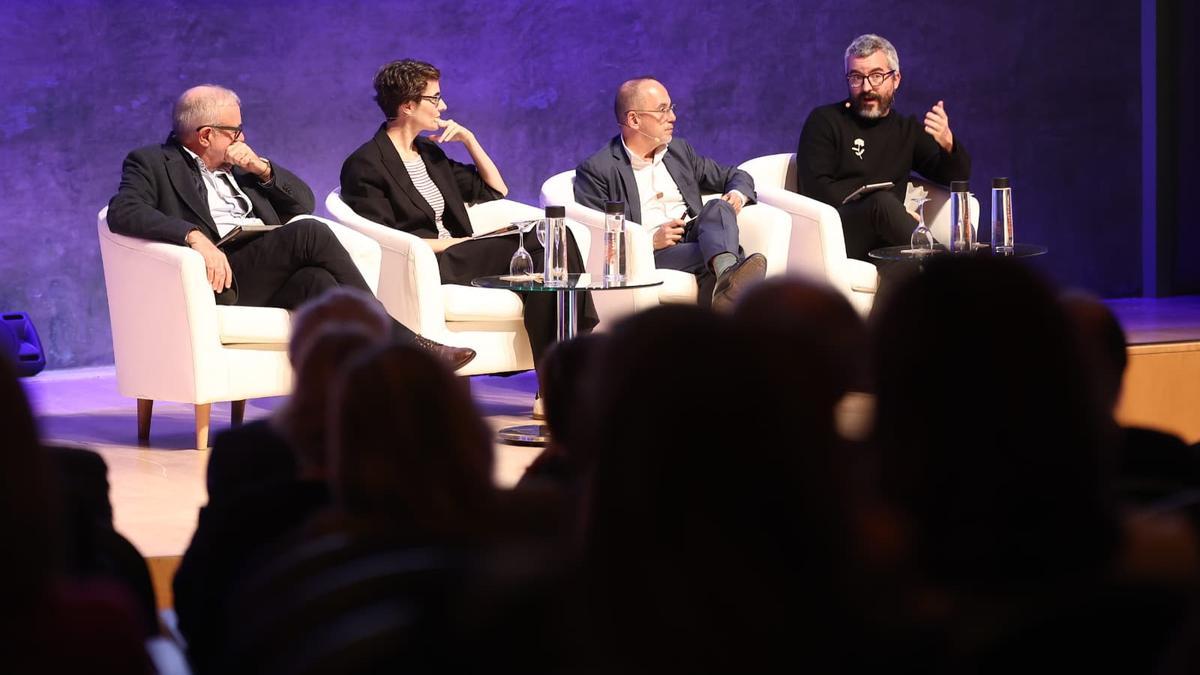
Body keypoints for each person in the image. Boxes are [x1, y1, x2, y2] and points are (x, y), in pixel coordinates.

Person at [107, 84, 474, 370]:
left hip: (261, 270)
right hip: (220, 276)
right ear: (205, 135)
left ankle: (363, 389)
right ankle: (406, 344)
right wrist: (194, 237)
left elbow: (303, 202)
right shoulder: (153, 162)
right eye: (235, 131)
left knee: (319, 282)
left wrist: (263, 170)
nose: (243, 139)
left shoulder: (242, 169)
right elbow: (123, 210)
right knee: (309, 231)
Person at [339, 59, 596, 363]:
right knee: (554, 236)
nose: (443, 106)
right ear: (408, 105)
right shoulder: (366, 164)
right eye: (435, 98)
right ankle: (574, 362)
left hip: (463, 254)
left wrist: (469, 140)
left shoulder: (430, 153)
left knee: (550, 251)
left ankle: (552, 383)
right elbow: (383, 242)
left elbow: (495, 190)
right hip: (430, 262)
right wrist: (459, 244)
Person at [574, 77, 767, 312]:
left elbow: (735, 176)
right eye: (662, 110)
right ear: (634, 119)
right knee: (722, 255)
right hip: (652, 253)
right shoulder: (598, 169)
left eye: (671, 108)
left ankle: (726, 276)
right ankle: (728, 277)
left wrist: (737, 195)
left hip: (695, 233)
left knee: (717, 207)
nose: (672, 118)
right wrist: (650, 240)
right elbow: (598, 240)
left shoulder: (679, 151)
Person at [796, 34, 971, 261]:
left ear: (896, 79)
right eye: (856, 77)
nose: (867, 87)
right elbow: (815, 189)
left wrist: (949, 144)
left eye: (876, 76)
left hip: (887, 239)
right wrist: (892, 213)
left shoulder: (906, 130)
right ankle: (952, 271)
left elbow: (957, 178)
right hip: (837, 233)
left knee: (903, 272)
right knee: (882, 203)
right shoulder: (825, 120)